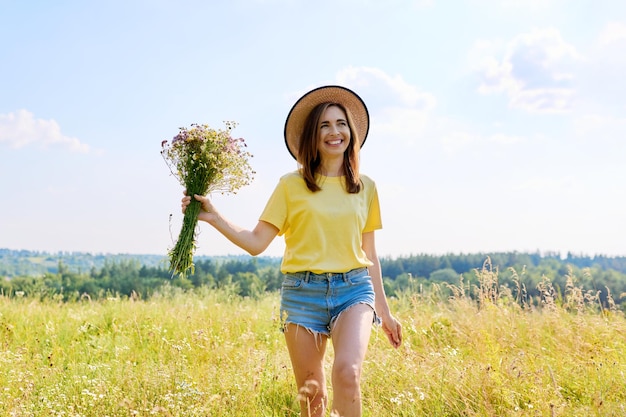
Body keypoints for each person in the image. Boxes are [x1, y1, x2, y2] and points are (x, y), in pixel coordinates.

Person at [181, 85, 402, 417]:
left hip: (353, 290)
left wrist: (384, 311)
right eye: (325, 125)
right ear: (313, 136)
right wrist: (213, 217)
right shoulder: (290, 185)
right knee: (312, 398)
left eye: (341, 123)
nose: (334, 132)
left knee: (348, 373)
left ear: (351, 133)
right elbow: (256, 242)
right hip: (302, 295)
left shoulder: (365, 187)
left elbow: (369, 252)